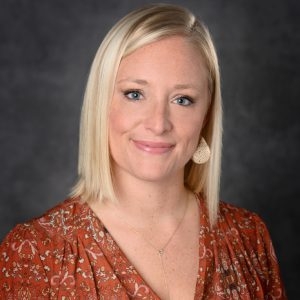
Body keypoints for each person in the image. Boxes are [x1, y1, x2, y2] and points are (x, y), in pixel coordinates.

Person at [0, 4, 286, 299]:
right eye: (134, 94)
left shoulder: (248, 237)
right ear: (102, 104)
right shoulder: (35, 252)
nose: (158, 123)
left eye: (183, 99)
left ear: (207, 116)